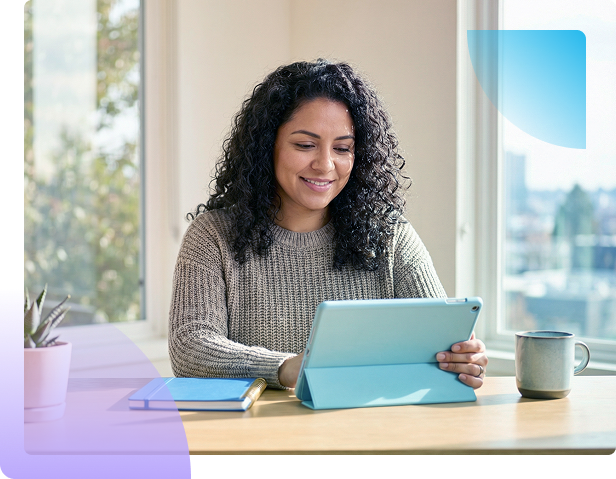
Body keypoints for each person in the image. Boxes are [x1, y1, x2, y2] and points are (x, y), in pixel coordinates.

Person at [169, 59, 488, 390]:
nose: (325, 164)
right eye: (305, 145)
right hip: (258, 436)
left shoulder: (391, 237)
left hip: (369, 433)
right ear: (267, 147)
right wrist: (286, 367)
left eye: (342, 148)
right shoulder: (213, 236)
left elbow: (441, 341)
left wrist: (464, 359)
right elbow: (190, 346)